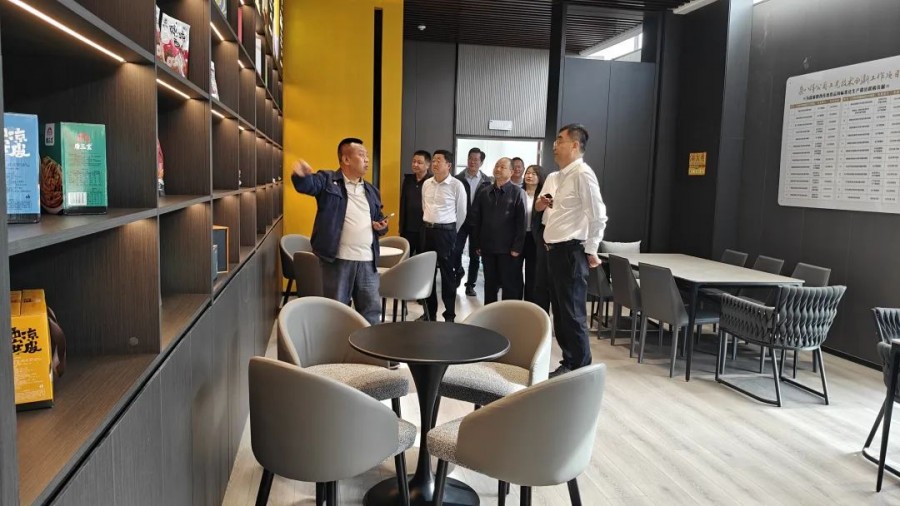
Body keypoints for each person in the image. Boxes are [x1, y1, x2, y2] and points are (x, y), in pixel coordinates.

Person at [290, 138, 389, 325]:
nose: (367, 159)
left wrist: (382, 226)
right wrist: (301, 176)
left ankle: (368, 344)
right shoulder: (328, 180)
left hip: (368, 261)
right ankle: (337, 344)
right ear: (346, 159)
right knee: (335, 313)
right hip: (338, 260)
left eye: (367, 155)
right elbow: (308, 185)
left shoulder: (371, 190)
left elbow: (379, 218)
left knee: (370, 313)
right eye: (361, 155)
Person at [535, 124, 608, 377]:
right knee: (561, 311)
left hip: (570, 252)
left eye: (560, 140)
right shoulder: (562, 176)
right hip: (556, 252)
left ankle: (580, 369)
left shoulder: (582, 174)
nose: (555, 146)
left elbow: (598, 216)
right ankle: (570, 362)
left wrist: (591, 249)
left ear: (575, 145)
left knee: (572, 313)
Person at [469, 157, 526, 305]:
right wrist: (477, 243)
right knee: (489, 284)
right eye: (496, 166)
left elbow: (521, 222)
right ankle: (490, 314)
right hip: (488, 247)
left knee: (509, 286)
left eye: (502, 167)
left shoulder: (517, 192)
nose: (498, 169)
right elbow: (476, 219)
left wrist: (517, 247)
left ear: (511, 172)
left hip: (508, 250)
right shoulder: (484, 192)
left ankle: (508, 315)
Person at [421, 149, 467, 322]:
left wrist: (450, 229)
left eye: (438, 160)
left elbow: (461, 213)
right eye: (433, 160)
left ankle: (449, 315)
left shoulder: (456, 185)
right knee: (427, 275)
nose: (434, 163)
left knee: (448, 275)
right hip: (427, 231)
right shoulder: (427, 184)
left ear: (448, 165)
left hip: (446, 233)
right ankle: (429, 313)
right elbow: (424, 207)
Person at [454, 147, 492, 297]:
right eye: (470, 158)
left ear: (481, 162)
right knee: (456, 251)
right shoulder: (457, 179)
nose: (472, 162)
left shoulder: (487, 181)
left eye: (476, 159)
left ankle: (470, 285)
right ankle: (459, 271)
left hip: (478, 223)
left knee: (475, 255)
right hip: (461, 221)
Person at [399, 150, 432, 256]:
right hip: (408, 229)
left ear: (428, 165)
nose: (415, 164)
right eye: (414, 161)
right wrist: (401, 226)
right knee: (405, 258)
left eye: (419, 162)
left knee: (422, 259)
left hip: (425, 229)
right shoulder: (408, 180)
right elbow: (403, 204)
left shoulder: (432, 181)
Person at [521, 164, 544, 305]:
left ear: (540, 177)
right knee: (515, 274)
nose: (529, 176)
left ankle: (530, 305)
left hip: (535, 239)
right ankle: (517, 305)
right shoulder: (518, 192)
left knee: (533, 274)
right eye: (527, 173)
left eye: (533, 174)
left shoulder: (543, 196)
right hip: (519, 237)